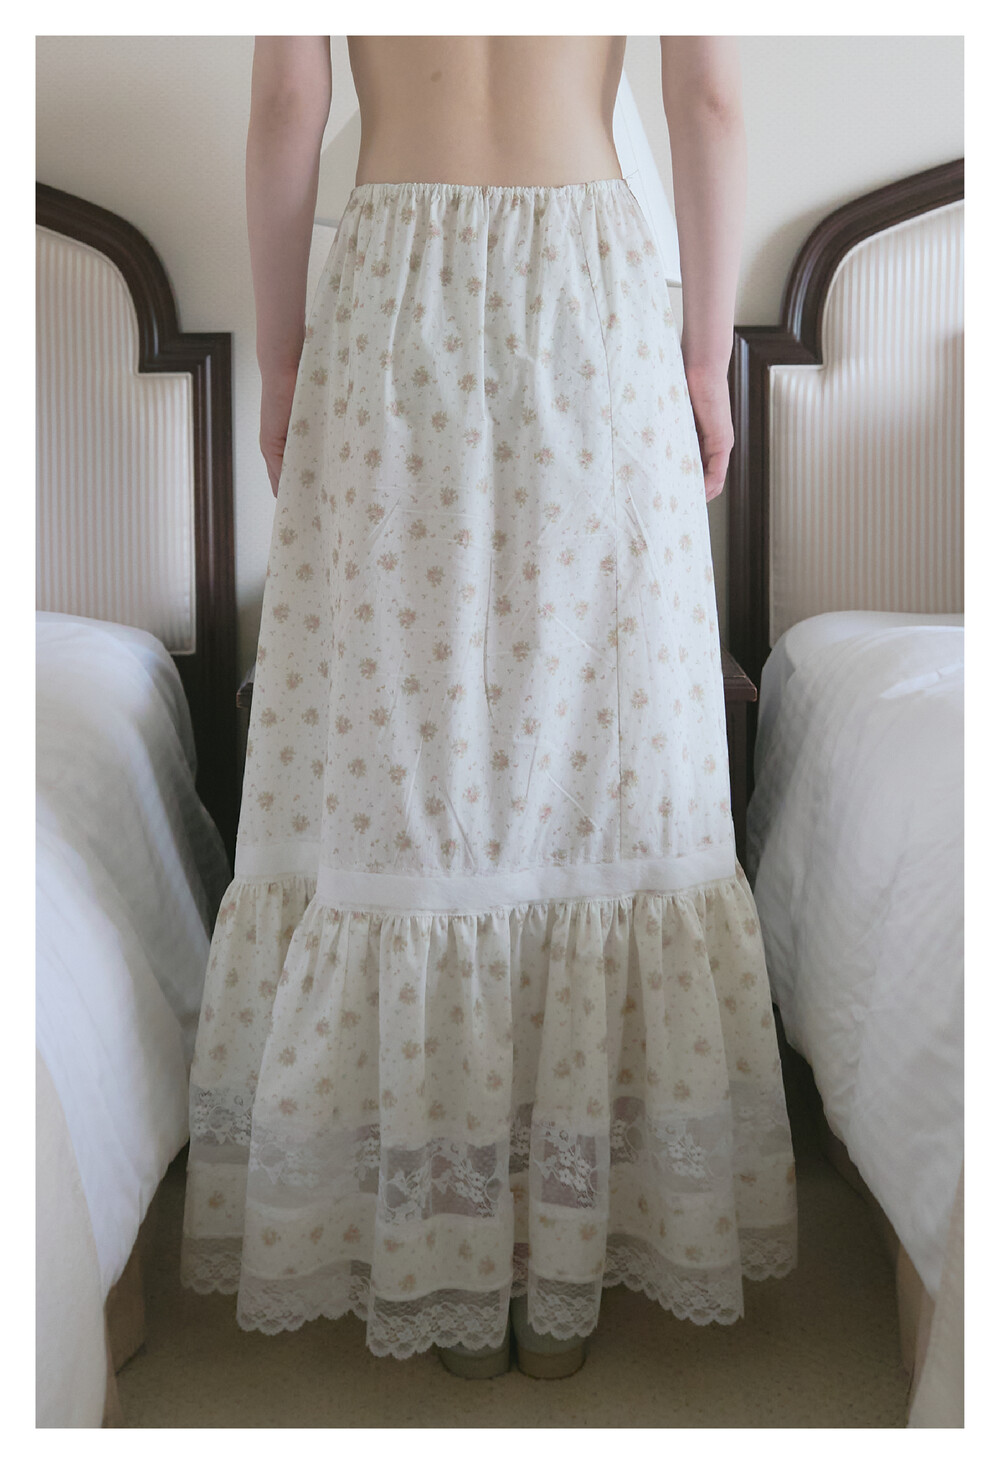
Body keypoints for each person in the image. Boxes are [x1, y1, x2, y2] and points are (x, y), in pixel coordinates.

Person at [180, 35, 798, 1383]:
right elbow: (707, 99)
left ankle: (449, 1251)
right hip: (590, 296)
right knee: (595, 761)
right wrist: (704, 362)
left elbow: (288, 105)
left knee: (411, 766)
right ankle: (562, 1271)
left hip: (391, 294)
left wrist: (280, 364)